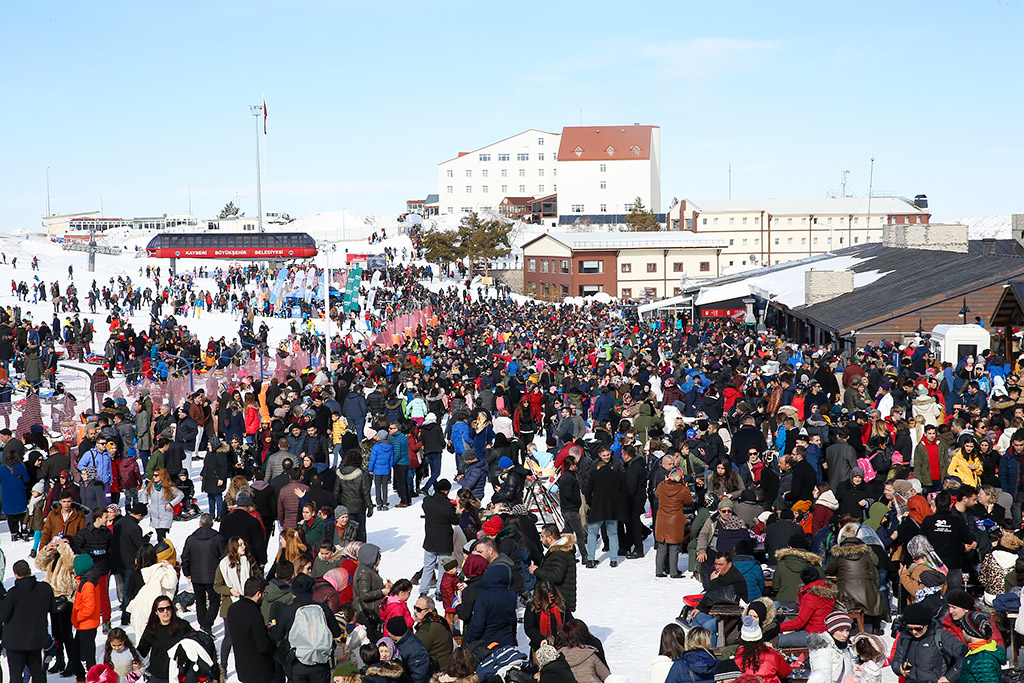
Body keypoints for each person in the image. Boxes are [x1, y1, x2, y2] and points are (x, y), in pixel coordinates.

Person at [268, 573, 342, 683]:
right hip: (321, 662)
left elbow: (277, 635)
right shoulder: (322, 608)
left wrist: (272, 627)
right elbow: (336, 632)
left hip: (298, 662)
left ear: (293, 592)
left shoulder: (288, 611)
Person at [0, 559, 56, 683]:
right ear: (30, 571)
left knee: (15, 675)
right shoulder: (44, 588)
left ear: (15, 574)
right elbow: (53, 608)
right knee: (37, 671)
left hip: (15, 642)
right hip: (36, 639)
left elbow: (3, 616)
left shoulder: (13, 594)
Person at [891, 602, 968, 683]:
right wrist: (900, 668)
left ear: (926, 624)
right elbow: (896, 660)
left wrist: (949, 677)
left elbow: (966, 655)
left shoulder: (941, 636)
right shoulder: (905, 636)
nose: (914, 632)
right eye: (910, 628)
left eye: (918, 628)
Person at [181, 513, 227, 634]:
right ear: (211, 524)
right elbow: (224, 556)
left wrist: (187, 572)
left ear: (200, 524)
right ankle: (207, 625)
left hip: (196, 575)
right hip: (213, 575)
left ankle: (204, 624)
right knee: (215, 601)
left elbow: (185, 556)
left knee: (200, 601)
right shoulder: (218, 538)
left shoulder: (191, 538)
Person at [227, 576, 276, 683]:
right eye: (264, 593)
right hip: (259, 671)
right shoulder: (254, 614)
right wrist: (275, 643)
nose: (264, 596)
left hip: (243, 668)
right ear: (258, 594)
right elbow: (263, 646)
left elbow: (244, 631)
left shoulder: (232, 609)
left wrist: (262, 629)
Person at [583, 446, 625, 568]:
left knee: (592, 532)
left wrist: (590, 502)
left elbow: (587, 490)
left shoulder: (595, 474)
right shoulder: (616, 474)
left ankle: (591, 559)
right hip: (612, 508)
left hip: (597, 507)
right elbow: (622, 490)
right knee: (613, 533)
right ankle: (613, 559)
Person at [137, 595, 194, 683]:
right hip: (158, 675)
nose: (165, 612)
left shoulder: (183, 626)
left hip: (180, 675)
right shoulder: (151, 629)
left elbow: (195, 644)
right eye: (161, 609)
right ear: (156, 612)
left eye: (168, 608)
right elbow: (141, 651)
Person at [420, 478, 459, 599]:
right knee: (443, 568)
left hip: (430, 541)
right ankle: (439, 591)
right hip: (444, 542)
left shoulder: (427, 502)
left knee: (428, 567)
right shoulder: (448, 507)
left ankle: (423, 591)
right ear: (447, 491)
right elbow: (455, 521)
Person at [464, 563, 516, 648]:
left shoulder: (484, 597)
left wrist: (470, 639)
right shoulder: (511, 596)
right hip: (506, 640)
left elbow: (478, 623)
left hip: (487, 642)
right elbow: (512, 619)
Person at [530, 523, 578, 613]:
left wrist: (536, 571)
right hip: (557, 599)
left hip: (560, 601)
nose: (540, 539)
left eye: (542, 536)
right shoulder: (557, 551)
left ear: (550, 538)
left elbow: (556, 576)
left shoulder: (560, 553)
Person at [71, 553, 102, 678]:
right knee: (79, 653)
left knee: (85, 658)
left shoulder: (88, 584)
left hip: (86, 624)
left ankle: (90, 679)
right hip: (85, 624)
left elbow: (89, 608)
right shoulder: (87, 580)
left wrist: (76, 618)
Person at [733, 616, 791, 683]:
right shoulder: (773, 657)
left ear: (742, 639)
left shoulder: (736, 661)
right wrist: (773, 650)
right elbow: (786, 672)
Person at [957, 610, 1006, 683]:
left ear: (970, 631)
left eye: (963, 628)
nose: (962, 631)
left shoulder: (983, 659)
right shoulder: (976, 652)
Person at [807, 611, 854, 682]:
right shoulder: (823, 650)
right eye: (841, 630)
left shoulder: (844, 648)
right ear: (832, 631)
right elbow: (822, 680)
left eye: (847, 630)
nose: (845, 635)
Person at [139, 468, 183, 541]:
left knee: (161, 535)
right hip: (154, 514)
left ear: (162, 476)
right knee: (158, 534)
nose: (154, 477)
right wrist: (146, 503)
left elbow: (180, 495)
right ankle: (162, 549)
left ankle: (162, 550)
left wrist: (171, 504)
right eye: (154, 475)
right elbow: (144, 494)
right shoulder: (151, 485)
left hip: (165, 514)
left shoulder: (168, 486)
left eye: (156, 475)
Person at [412, 595, 454, 671]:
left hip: (437, 670)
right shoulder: (438, 619)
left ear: (429, 610)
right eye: (414, 608)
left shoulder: (427, 629)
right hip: (444, 666)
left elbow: (415, 651)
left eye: (418, 609)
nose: (415, 611)